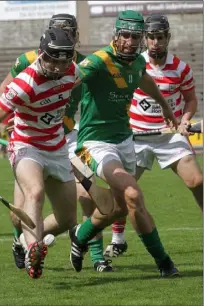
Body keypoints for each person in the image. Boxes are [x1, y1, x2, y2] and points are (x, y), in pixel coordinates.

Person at [0, 14, 111, 273]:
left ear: (77, 36)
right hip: (30, 140)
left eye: (70, 31)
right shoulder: (28, 60)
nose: (65, 36)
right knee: (18, 211)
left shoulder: (84, 65)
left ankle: (96, 256)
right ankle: (21, 240)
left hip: (70, 138)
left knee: (88, 194)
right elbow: (5, 90)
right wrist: (2, 122)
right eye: (58, 30)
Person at [68, 10, 180, 278]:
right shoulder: (98, 62)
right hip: (94, 143)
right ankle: (164, 263)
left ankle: (80, 236)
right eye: (126, 35)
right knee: (133, 195)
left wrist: (165, 105)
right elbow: (68, 82)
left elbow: (144, 78)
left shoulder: (137, 62)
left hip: (124, 140)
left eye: (135, 36)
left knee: (119, 207)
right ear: (116, 36)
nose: (130, 41)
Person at [0, 27, 79, 279]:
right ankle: (33, 250)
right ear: (41, 54)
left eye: (63, 61)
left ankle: (22, 240)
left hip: (57, 146)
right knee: (35, 192)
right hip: (26, 144)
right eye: (53, 60)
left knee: (67, 219)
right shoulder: (23, 85)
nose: (58, 67)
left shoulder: (72, 72)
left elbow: (76, 82)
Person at [105, 14, 203, 258]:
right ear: (145, 39)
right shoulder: (134, 64)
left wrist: (184, 120)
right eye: (151, 37)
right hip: (137, 136)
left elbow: (191, 100)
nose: (156, 42)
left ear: (167, 38)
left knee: (197, 182)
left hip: (170, 136)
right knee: (123, 191)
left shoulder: (181, 68)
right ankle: (118, 240)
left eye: (160, 37)